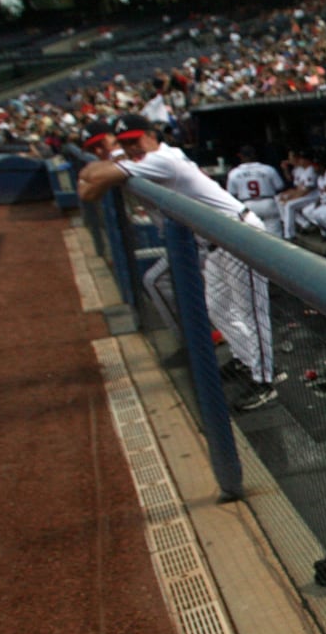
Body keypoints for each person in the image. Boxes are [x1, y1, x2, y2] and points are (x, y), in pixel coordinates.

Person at [78, 114, 281, 411]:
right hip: (215, 242)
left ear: (150, 135)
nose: (131, 148)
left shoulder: (161, 159)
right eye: (123, 143)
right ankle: (245, 359)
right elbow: (89, 186)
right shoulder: (152, 156)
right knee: (219, 307)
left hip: (240, 234)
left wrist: (114, 158)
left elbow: (92, 179)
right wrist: (114, 157)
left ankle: (266, 380)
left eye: (135, 141)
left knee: (250, 311)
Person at [225, 145, 286, 236]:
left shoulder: (234, 173)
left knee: (252, 235)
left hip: (247, 204)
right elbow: (279, 187)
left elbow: (231, 193)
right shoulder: (268, 169)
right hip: (268, 202)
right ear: (255, 155)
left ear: (240, 156)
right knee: (275, 234)